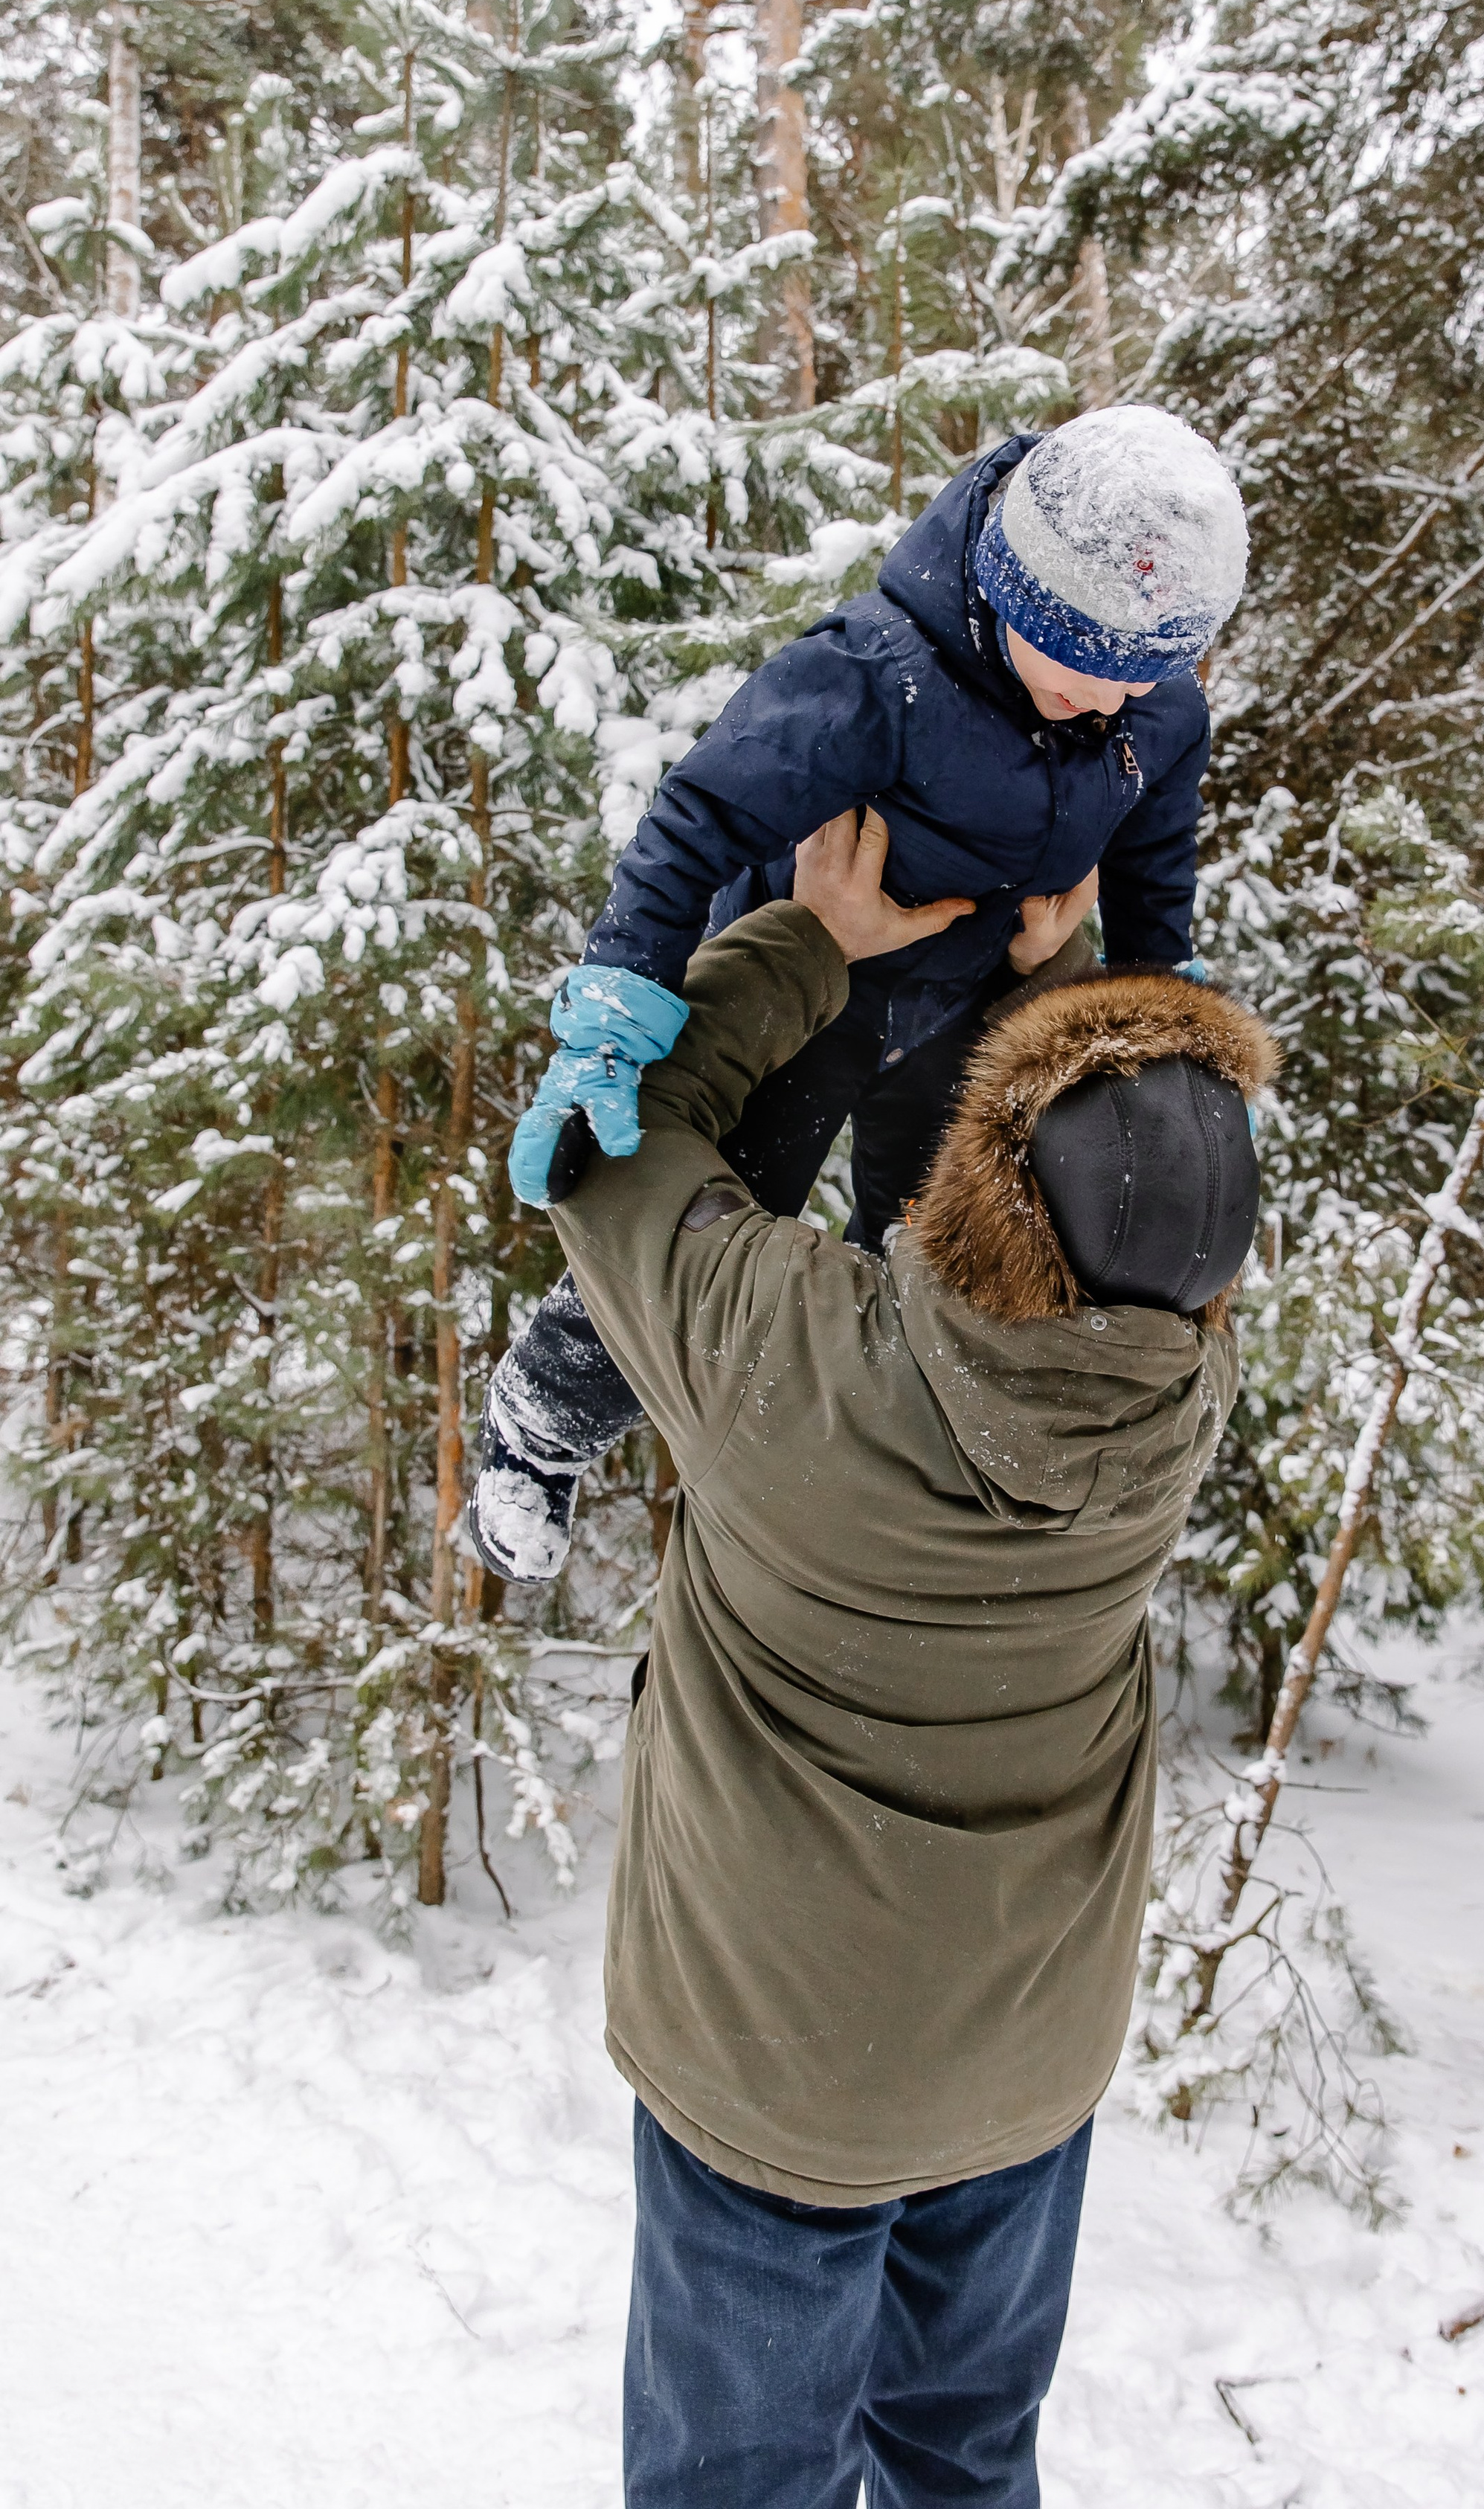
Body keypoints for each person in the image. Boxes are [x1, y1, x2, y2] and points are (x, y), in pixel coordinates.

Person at [534, 807, 1276, 2509]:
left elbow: (614, 1141)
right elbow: (1114, 1216)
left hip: (779, 2077)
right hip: (1022, 2067)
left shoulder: (793, 1351)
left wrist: (806, 941)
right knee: (958, 2460)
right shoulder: (1173, 1401)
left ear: (986, 1196)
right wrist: (1061, 991)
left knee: (741, 2482)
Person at [467, 402, 1248, 1582]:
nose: (1108, 707)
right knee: (714, 1213)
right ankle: (540, 1426)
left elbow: (1153, 869)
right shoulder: (875, 677)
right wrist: (614, 1020)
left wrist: (1160, 1030)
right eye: (1084, 674)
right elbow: (699, 817)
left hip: (975, 1003)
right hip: (817, 985)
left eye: (1138, 685)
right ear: (1015, 599)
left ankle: (867, 1477)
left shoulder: (1153, 711)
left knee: (923, 1245)